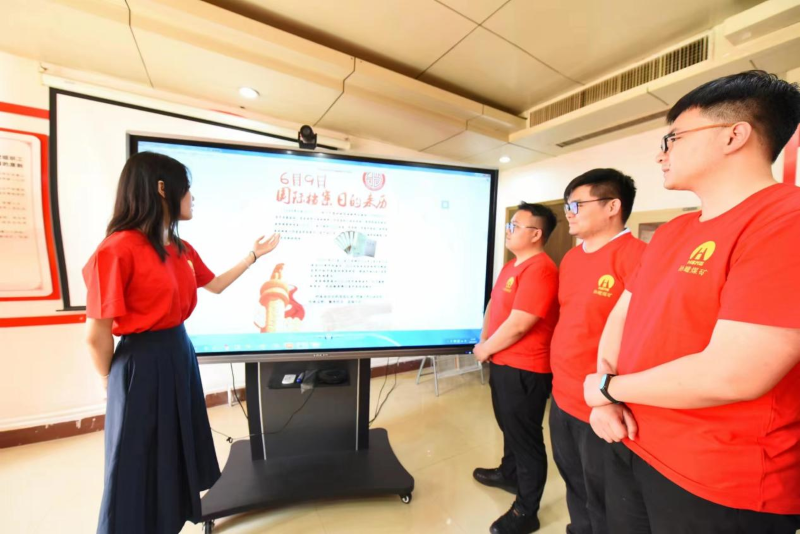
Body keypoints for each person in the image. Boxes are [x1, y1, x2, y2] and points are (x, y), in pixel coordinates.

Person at [583, 71, 800, 533]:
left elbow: (736, 372)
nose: (661, 154)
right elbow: (623, 314)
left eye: (674, 138)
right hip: (631, 439)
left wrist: (608, 389)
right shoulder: (673, 231)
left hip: (720, 480)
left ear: (733, 136)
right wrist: (604, 393)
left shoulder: (785, 219)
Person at [84, 151, 280, 533]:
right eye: (186, 188)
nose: (192, 197)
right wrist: (111, 382)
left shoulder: (180, 248)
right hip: (141, 365)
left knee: (174, 451)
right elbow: (95, 336)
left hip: (178, 354)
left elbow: (216, 285)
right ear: (162, 189)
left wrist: (253, 256)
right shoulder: (116, 249)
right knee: (136, 460)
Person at [549, 169, 645, 534]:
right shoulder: (572, 258)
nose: (568, 213)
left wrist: (609, 397)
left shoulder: (638, 257)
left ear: (612, 207)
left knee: (605, 499)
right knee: (574, 484)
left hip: (601, 405)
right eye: (567, 205)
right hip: (562, 395)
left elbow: (642, 337)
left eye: (576, 204)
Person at [472, 202, 559, 534]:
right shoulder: (512, 265)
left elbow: (520, 324)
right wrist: (484, 340)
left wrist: (485, 349)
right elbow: (495, 306)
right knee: (509, 426)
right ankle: (509, 474)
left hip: (526, 368)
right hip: (502, 362)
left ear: (536, 234)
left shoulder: (541, 270)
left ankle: (526, 510)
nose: (508, 231)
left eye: (515, 226)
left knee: (526, 439)